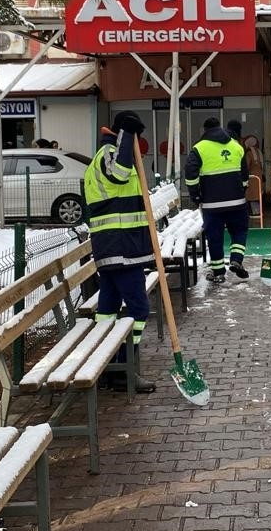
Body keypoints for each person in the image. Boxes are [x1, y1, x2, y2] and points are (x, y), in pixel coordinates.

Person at [83, 111, 156, 392]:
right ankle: (123, 368)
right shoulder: (110, 154)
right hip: (120, 249)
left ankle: (107, 366)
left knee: (108, 310)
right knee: (139, 308)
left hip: (117, 248)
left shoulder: (107, 153)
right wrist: (127, 134)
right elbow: (120, 174)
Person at [184, 117, 251, 284]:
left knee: (215, 237)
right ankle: (236, 259)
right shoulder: (236, 146)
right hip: (236, 201)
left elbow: (190, 174)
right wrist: (241, 190)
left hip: (211, 204)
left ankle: (218, 272)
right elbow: (244, 175)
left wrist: (196, 196)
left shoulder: (199, 148)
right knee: (239, 231)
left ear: (205, 130)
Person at [241, 134, 265, 216]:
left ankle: (255, 213)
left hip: (251, 177)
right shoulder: (259, 151)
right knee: (258, 195)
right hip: (259, 176)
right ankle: (258, 212)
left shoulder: (249, 153)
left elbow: (246, 166)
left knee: (251, 196)